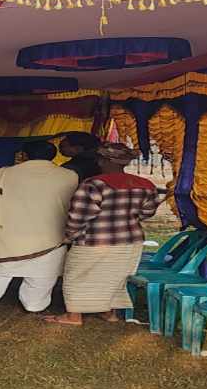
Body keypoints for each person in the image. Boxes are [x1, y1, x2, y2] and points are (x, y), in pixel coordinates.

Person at [52, 140, 164, 327]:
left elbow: (78, 216)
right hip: (130, 240)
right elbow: (147, 212)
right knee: (113, 277)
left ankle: (74, 316)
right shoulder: (146, 184)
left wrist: (70, 235)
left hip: (93, 240)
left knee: (77, 276)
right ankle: (108, 312)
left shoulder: (93, 185)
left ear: (102, 160)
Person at [0, 139, 78, 316]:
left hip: (7, 238)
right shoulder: (70, 176)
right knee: (42, 279)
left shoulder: (3, 173)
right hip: (51, 238)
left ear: (24, 155)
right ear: (54, 155)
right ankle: (35, 305)